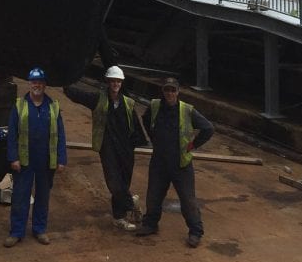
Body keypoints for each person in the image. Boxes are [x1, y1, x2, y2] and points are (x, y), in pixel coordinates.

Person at [64, 66, 146, 230]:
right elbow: (77, 95)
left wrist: (139, 143)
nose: (115, 83)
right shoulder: (98, 99)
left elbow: (136, 127)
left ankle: (119, 218)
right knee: (114, 184)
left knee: (123, 183)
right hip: (107, 148)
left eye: (118, 81)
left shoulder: (128, 103)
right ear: (108, 82)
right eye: (113, 81)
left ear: (121, 83)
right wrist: (65, 82)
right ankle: (132, 203)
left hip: (125, 150)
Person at [136, 77, 214, 248]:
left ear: (178, 92)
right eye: (167, 90)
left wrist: (193, 144)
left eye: (173, 90)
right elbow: (146, 119)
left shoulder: (187, 110)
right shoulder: (155, 106)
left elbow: (208, 128)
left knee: (188, 200)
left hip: (181, 164)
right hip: (159, 161)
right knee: (154, 196)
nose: (170, 93)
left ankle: (195, 232)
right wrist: (153, 138)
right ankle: (150, 224)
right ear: (162, 91)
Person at [4, 67, 67, 247]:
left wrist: (61, 159)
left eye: (40, 82)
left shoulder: (53, 106)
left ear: (45, 85)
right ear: (29, 84)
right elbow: (12, 134)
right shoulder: (19, 105)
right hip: (24, 160)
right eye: (33, 82)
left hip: (46, 160)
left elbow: (60, 134)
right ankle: (16, 232)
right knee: (20, 196)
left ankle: (39, 229)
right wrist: (13, 158)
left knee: (43, 197)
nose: (36, 85)